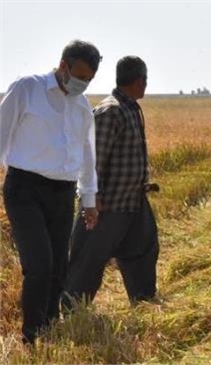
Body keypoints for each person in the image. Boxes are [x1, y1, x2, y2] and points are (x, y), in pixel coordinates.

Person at [0, 40, 101, 344]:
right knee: (40, 265)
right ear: (63, 65)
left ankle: (50, 327)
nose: (82, 83)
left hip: (63, 193)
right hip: (25, 189)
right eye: (79, 75)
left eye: (89, 79)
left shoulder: (82, 106)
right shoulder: (27, 89)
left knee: (59, 266)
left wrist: (89, 199)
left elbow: (87, 154)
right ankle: (31, 336)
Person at [62, 56, 160, 310]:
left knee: (144, 249)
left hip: (133, 202)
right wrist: (92, 199)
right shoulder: (111, 110)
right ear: (140, 81)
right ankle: (71, 311)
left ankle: (144, 302)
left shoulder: (129, 108)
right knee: (88, 261)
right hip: (108, 206)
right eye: (145, 80)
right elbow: (92, 158)